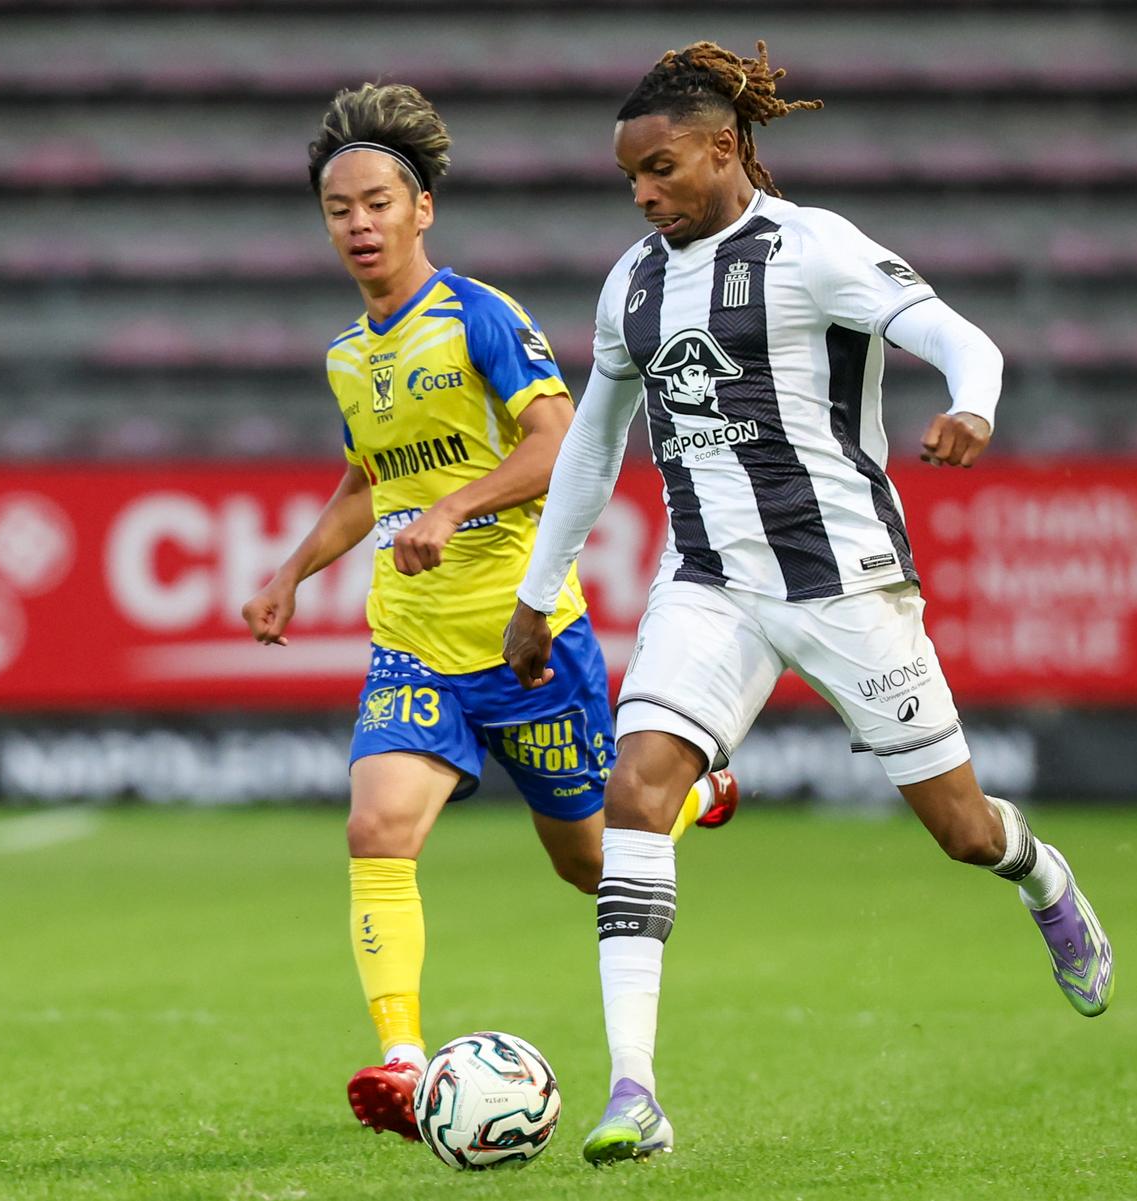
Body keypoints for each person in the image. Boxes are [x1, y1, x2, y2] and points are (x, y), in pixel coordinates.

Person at [503, 41, 1115, 1165]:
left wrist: (972, 403)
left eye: (662, 168)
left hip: (845, 587)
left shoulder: (812, 247)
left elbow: (953, 335)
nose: (643, 194)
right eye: (630, 178)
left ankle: (1045, 878)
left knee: (961, 831)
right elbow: (593, 444)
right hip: (710, 586)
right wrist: (541, 591)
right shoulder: (632, 281)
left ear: (726, 149)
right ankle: (634, 1089)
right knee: (635, 795)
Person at [238, 82, 739, 1143]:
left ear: (422, 210)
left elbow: (559, 440)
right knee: (376, 826)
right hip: (413, 645)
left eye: (379, 202)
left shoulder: (481, 316)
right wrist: (292, 572)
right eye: (340, 209)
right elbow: (367, 482)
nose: (360, 223)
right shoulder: (348, 356)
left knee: (592, 862)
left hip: (525, 640)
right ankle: (405, 1064)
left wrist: (458, 505)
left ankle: (698, 798)